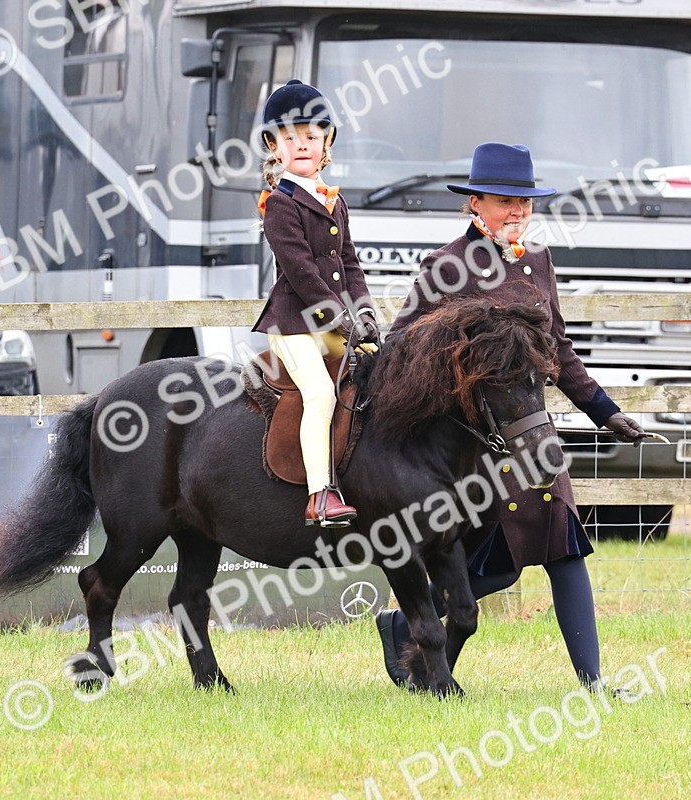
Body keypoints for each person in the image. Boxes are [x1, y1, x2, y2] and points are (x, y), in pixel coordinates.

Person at [374, 142, 648, 692]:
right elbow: (400, 345)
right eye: (506, 201)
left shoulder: (540, 262)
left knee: (566, 551)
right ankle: (403, 624)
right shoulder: (447, 265)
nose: (518, 212)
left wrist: (605, 411)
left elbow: (558, 350)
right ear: (475, 203)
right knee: (498, 567)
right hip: (481, 444)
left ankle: (593, 683)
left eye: (526, 202)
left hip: (536, 433)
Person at [251, 79, 380, 527]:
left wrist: (364, 311)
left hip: (333, 322)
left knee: (377, 378)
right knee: (321, 394)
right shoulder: (280, 204)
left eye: (311, 136)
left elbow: (350, 263)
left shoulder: (334, 199)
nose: (301, 145)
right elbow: (303, 274)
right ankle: (319, 496)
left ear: (326, 142)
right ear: (274, 145)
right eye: (290, 137)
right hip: (292, 324)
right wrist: (342, 319)